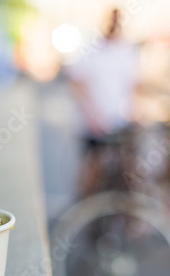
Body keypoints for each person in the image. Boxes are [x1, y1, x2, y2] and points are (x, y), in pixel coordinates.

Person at [66, 9, 139, 195]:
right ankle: (84, 209)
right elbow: (78, 83)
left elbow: (132, 86)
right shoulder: (92, 49)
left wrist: (134, 114)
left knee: (125, 173)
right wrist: (92, 117)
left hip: (119, 123)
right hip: (94, 125)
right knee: (92, 170)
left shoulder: (127, 51)